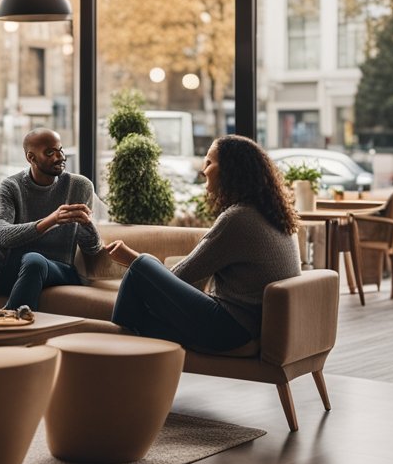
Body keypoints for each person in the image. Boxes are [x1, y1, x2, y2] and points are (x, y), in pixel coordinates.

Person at [107, 134, 302, 353]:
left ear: (231, 170)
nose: (203, 169)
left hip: (230, 330)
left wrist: (132, 259)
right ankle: (125, 341)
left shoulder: (238, 219)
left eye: (209, 162)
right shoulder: (272, 214)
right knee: (138, 315)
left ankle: (118, 344)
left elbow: (181, 276)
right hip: (251, 327)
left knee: (142, 267)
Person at [0, 128, 105, 311]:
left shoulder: (79, 186)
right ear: (31, 158)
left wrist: (87, 224)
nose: (59, 157)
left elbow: (92, 248)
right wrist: (51, 220)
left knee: (33, 260)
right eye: (50, 153)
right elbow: (0, 234)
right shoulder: (10, 186)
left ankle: (9, 323)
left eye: (60, 150)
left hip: (55, 267)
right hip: (8, 264)